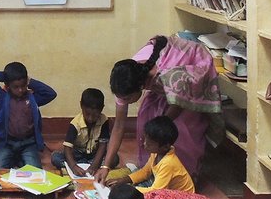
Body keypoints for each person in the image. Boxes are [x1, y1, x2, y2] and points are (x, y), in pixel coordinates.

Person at [94, 35, 221, 184]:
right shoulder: (126, 80)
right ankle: (152, 170)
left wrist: (162, 124)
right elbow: (119, 126)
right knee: (147, 118)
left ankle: (184, 175)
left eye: (128, 99)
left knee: (179, 129)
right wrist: (106, 166)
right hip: (168, 85)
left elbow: (179, 103)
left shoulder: (166, 75)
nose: (124, 101)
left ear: (140, 87)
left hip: (192, 71)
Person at [0, 61, 56, 169]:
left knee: (35, 171)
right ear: (8, 86)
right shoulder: (2, 97)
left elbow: (51, 93)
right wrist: (4, 76)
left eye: (23, 86)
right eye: (16, 87)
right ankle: (16, 158)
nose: (20, 90)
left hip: (28, 143)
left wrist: (30, 81)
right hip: (8, 143)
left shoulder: (32, 98)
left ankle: (18, 158)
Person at [106, 116, 194, 193]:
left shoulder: (168, 163)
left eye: (149, 144)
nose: (144, 144)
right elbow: (145, 172)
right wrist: (122, 181)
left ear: (165, 146)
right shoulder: (157, 153)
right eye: (145, 141)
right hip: (161, 188)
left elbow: (155, 191)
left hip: (181, 198)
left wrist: (126, 189)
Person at [50, 88, 117, 176]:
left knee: (115, 158)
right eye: (87, 114)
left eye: (95, 115)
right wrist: (73, 166)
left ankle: (85, 166)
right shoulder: (75, 123)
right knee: (55, 157)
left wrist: (94, 166)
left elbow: (102, 146)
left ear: (101, 109)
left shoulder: (104, 121)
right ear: (81, 106)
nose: (90, 118)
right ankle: (77, 166)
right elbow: (67, 148)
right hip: (77, 154)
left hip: (94, 155)